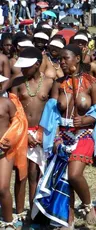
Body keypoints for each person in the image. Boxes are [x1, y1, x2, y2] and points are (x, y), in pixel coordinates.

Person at [35, 44, 96, 228]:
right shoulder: (58, 84)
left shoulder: (91, 83)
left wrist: (86, 120)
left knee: (74, 175)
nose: (62, 62)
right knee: (64, 180)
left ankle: (88, 204)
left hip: (84, 134)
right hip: (62, 135)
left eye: (66, 58)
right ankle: (68, 220)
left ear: (77, 59)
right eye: (60, 59)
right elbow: (52, 116)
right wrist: (56, 137)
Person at [11, 47, 54, 224]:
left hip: (41, 132)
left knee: (36, 172)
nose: (22, 70)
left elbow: (52, 111)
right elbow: (13, 110)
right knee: (21, 173)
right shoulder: (17, 82)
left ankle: (35, 211)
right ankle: (20, 212)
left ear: (37, 65)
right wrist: (23, 133)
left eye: (26, 67)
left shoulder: (50, 82)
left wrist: (43, 132)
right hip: (21, 131)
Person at [0, 75, 28, 230]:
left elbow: (19, 124)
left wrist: (8, 141)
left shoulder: (7, 103)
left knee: (3, 187)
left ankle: (8, 220)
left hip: (3, 151)